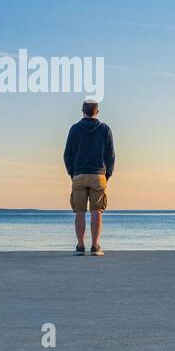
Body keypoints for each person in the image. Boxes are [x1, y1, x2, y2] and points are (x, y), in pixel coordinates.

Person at [62, 98, 115, 255]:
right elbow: (110, 156)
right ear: (97, 111)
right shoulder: (105, 129)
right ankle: (95, 246)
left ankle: (80, 246)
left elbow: (67, 155)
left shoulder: (75, 129)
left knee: (79, 212)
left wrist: (72, 173)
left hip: (78, 175)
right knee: (96, 211)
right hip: (98, 175)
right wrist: (107, 175)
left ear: (82, 111)